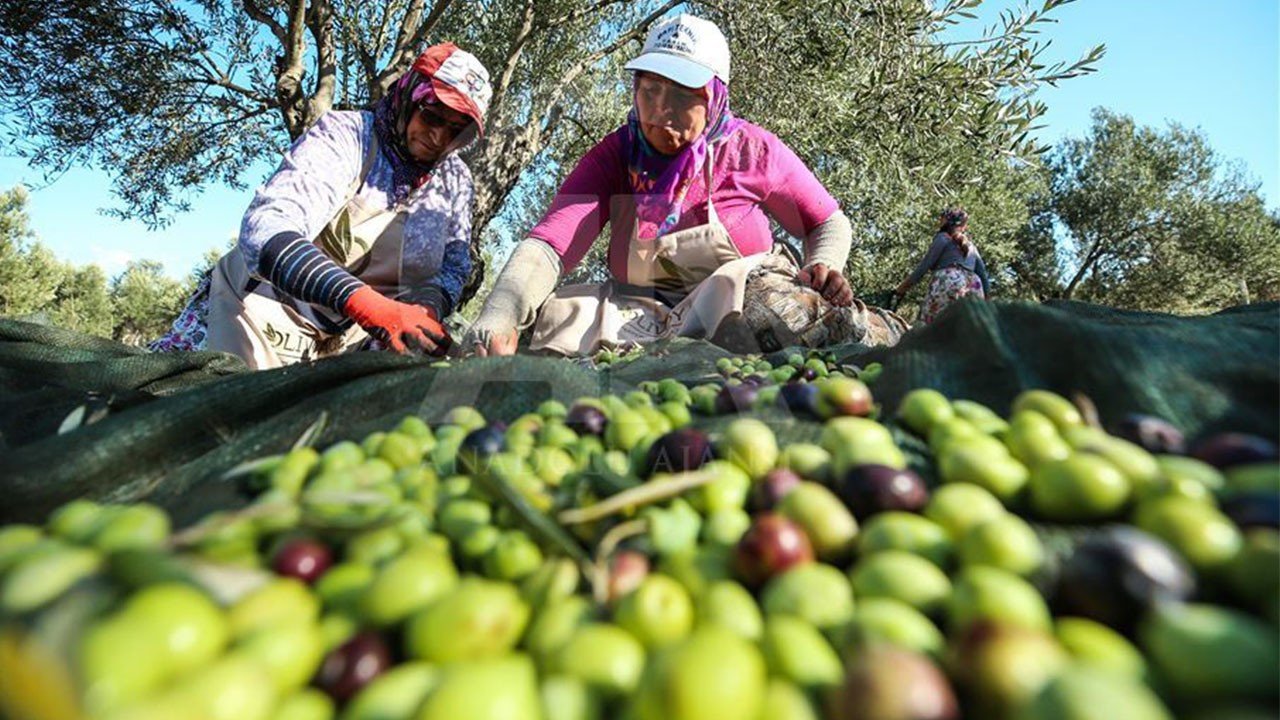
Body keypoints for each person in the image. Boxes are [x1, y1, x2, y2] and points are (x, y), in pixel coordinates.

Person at [465, 14, 906, 357]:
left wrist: (825, 264)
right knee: (548, 331)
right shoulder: (617, 155)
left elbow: (827, 222)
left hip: (740, 301)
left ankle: (886, 330)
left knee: (772, 313)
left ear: (713, 98)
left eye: (681, 96)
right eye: (650, 90)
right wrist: (499, 315)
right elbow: (550, 245)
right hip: (642, 312)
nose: (659, 111)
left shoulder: (750, 150)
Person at [150, 43, 491, 369]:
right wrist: (364, 303)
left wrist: (427, 307)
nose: (439, 138)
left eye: (455, 131)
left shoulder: (455, 181)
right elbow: (266, 228)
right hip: (258, 313)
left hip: (347, 342)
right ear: (408, 96)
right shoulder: (348, 135)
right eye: (432, 116)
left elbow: (454, 265)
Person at [894, 207, 990, 325]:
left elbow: (924, 267)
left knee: (932, 329)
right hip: (974, 286)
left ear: (945, 221)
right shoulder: (972, 247)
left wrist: (901, 289)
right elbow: (984, 277)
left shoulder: (942, 238)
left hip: (947, 281)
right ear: (964, 227)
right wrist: (987, 302)